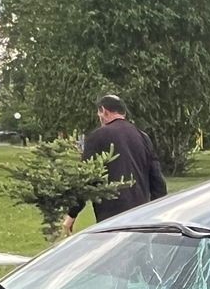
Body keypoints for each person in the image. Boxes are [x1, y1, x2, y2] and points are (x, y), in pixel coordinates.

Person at [65, 94, 166, 232]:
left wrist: (72, 213)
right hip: (141, 215)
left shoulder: (97, 137)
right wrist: (156, 212)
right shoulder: (143, 137)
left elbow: (86, 180)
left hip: (111, 217)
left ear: (103, 111)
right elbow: (157, 181)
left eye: (98, 112)